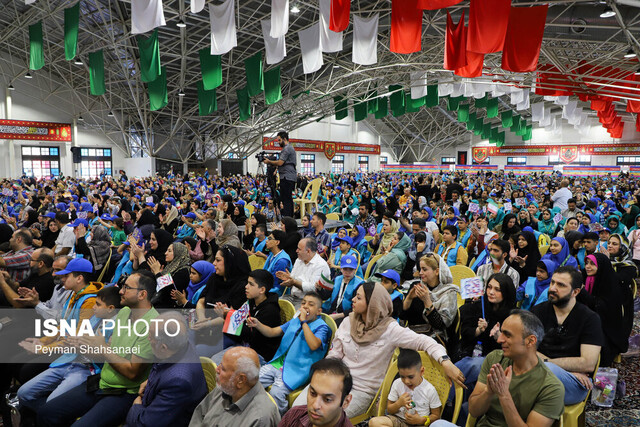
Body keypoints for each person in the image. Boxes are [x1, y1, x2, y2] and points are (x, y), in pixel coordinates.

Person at [294, 282, 465, 418]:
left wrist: (445, 361)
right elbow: (334, 355)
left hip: (362, 390)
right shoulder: (349, 321)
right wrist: (324, 377)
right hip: (336, 379)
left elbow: (427, 342)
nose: (353, 300)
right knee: (297, 410)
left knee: (323, 416)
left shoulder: (390, 329)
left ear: (373, 304)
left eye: (359, 298)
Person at [37, 271, 159, 426]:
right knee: (46, 413)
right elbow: (111, 351)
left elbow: (132, 372)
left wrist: (101, 348)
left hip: (123, 392)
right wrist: (87, 349)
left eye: (127, 288)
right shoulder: (125, 312)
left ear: (142, 294)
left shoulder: (152, 326)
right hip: (102, 382)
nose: (121, 291)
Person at [432, 310, 564, 427]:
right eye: (501, 333)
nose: (500, 339)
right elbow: (473, 410)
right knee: (438, 424)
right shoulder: (495, 359)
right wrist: (489, 392)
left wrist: (504, 395)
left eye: (507, 335)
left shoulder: (551, 387)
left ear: (530, 341)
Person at [17, 286, 121, 412]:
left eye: (98, 305)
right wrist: (45, 342)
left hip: (88, 370)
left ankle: (50, 414)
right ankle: (48, 415)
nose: (93, 307)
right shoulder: (94, 316)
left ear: (110, 309)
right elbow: (69, 332)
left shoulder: (117, 328)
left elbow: (105, 357)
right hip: (69, 360)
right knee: (23, 393)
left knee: (51, 403)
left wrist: (79, 346)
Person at [247, 292, 331, 414]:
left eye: (311, 304)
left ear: (318, 311)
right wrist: (258, 325)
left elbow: (314, 345)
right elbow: (272, 332)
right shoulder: (295, 321)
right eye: (303, 303)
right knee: (252, 380)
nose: (305, 306)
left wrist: (304, 323)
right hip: (278, 363)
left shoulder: (322, 327)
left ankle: (280, 419)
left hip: (296, 370)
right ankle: (254, 412)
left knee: (276, 393)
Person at [531, 266, 603, 405]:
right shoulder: (538, 311)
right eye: (552, 282)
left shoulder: (589, 318)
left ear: (575, 292)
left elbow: (588, 363)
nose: (552, 288)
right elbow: (525, 349)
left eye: (561, 285)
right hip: (537, 373)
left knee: (546, 372)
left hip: (574, 382)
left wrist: (549, 364)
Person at [125, 312, 208, 427]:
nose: (148, 338)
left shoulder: (178, 381)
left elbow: (143, 424)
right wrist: (151, 380)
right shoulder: (181, 343)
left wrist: (136, 406)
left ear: (163, 347)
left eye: (150, 335)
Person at [189, 347, 281, 427]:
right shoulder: (225, 387)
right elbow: (198, 416)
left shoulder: (260, 418)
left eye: (223, 368)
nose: (217, 369)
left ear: (240, 380)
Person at [456, 273, 517, 391]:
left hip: (497, 361)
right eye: (489, 287)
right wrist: (478, 331)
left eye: (497, 289)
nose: (491, 292)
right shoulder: (478, 307)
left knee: (474, 365)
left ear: (506, 292)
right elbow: (465, 333)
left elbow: (514, 347)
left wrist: (499, 337)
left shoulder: (513, 315)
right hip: (471, 353)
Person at [212, 269, 282, 365]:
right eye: (247, 283)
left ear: (262, 290)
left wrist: (227, 317)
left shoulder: (270, 310)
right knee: (214, 359)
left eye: (251, 284)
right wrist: (228, 315)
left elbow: (251, 337)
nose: (246, 287)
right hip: (242, 344)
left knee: (217, 363)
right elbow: (241, 324)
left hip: (258, 354)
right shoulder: (251, 301)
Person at [579, 254, 630, 366]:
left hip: (605, 326)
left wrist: (583, 292)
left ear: (601, 266)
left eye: (592, 264)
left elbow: (601, 307)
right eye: (587, 263)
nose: (588, 267)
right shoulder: (585, 277)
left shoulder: (610, 283)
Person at [368, 348, 442, 427]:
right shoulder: (397, 383)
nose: (406, 381)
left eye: (410, 377)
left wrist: (421, 420)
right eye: (402, 376)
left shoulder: (429, 389)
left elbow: (436, 416)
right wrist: (399, 403)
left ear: (421, 371)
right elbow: (389, 410)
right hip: (398, 420)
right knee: (374, 422)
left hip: (419, 424)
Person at [279, 358, 354, 427]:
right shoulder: (293, 415)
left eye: (327, 399)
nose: (315, 405)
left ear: (346, 401)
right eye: (313, 393)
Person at [401, 253, 459, 340]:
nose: (420, 273)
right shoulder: (417, 286)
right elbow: (403, 316)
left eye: (424, 269)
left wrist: (427, 301)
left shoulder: (449, 293)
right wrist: (409, 298)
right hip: (414, 335)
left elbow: (441, 326)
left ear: (436, 271)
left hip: (436, 339)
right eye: (420, 269)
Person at [278, 238, 330, 308]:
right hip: (292, 297)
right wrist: (289, 279)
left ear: (308, 251)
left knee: (294, 315)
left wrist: (294, 282)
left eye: (299, 249)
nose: (296, 251)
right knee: (275, 307)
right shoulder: (298, 260)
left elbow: (313, 288)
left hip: (309, 301)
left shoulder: (321, 265)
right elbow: (293, 279)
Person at [264, 131, 297, 218]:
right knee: (286, 198)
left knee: (286, 199)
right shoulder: (288, 148)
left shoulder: (287, 149)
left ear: (284, 139)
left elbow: (280, 162)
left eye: (279, 140)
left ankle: (287, 217)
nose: (278, 142)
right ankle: (288, 217)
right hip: (287, 176)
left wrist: (269, 161)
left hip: (287, 176)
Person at [148, 242, 191, 308]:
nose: (165, 253)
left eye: (169, 251)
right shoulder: (170, 267)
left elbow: (169, 292)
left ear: (178, 253)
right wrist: (158, 274)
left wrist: (157, 273)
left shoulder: (183, 271)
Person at [323, 255, 364, 322]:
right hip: (331, 311)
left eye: (351, 269)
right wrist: (320, 289)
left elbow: (355, 309)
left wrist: (338, 316)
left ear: (355, 269)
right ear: (341, 268)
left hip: (347, 316)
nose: (347, 272)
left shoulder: (359, 285)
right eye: (345, 269)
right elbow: (325, 296)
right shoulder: (336, 279)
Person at [264, 230, 293, 295]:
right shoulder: (272, 254)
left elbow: (276, 284)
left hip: (277, 294)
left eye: (269, 239)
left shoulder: (282, 261)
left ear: (277, 242)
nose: (266, 241)